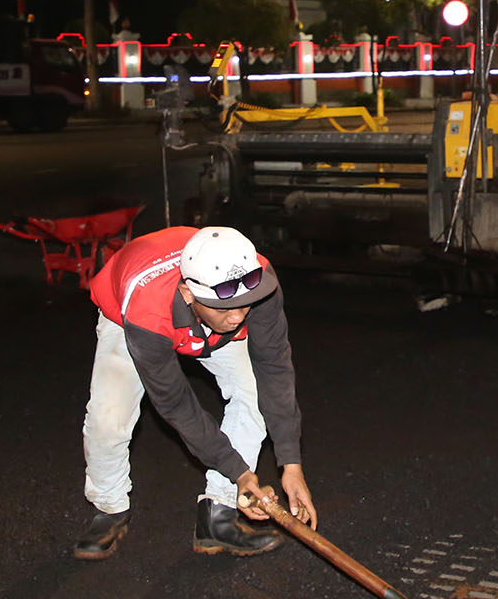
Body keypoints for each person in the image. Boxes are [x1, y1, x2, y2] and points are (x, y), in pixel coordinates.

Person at [73, 224, 317, 560]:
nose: (237, 318)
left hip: (202, 317)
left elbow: (274, 369)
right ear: (189, 294)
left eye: (244, 306)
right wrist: (242, 472)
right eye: (226, 309)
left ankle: (219, 512)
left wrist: (291, 463)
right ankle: (109, 508)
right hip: (134, 314)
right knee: (108, 420)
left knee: (254, 396)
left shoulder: (257, 283)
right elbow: (176, 404)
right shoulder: (146, 313)